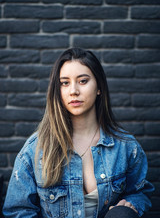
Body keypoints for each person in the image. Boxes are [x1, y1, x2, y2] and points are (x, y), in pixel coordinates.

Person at [3, 48, 154, 218]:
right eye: (64, 83)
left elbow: (140, 192)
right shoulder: (36, 149)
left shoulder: (126, 147)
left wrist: (129, 206)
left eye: (82, 81)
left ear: (99, 87)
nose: (73, 91)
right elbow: (18, 211)